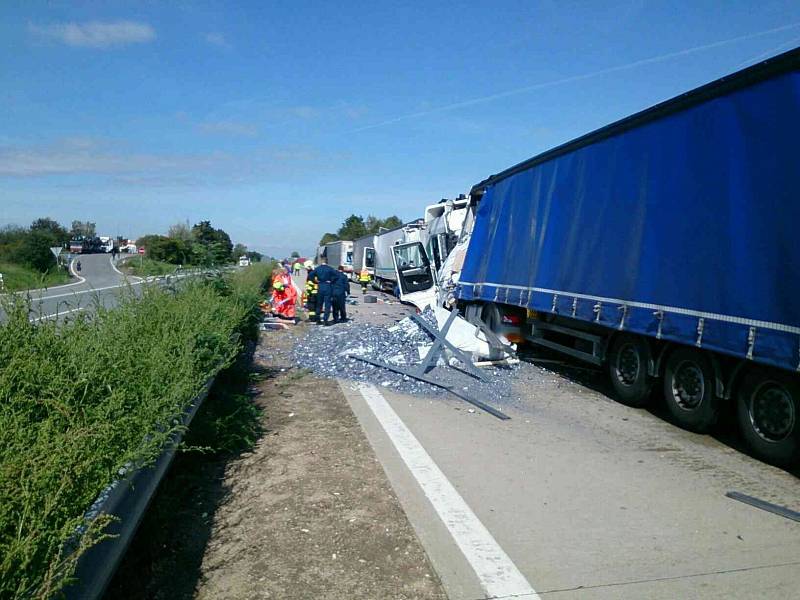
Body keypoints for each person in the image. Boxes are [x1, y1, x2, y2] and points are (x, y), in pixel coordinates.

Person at [308, 257, 338, 325]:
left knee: (319, 304)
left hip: (320, 286)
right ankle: (325, 320)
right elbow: (337, 275)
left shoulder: (318, 268)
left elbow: (310, 275)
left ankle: (318, 319)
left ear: (321, 261)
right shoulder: (330, 269)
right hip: (327, 287)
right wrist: (331, 281)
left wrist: (315, 281)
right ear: (327, 261)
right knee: (327, 304)